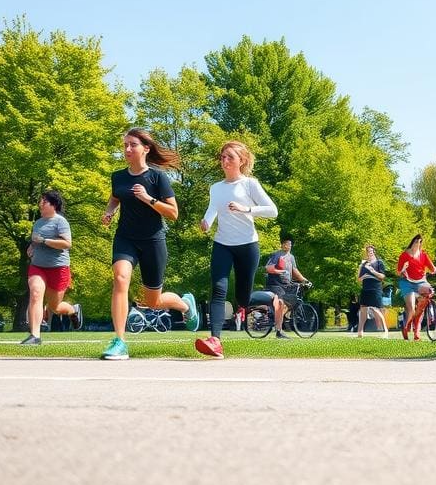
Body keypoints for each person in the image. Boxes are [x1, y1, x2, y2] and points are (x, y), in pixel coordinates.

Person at [100, 128, 199, 360]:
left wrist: (148, 199)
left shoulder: (157, 178)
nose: (126, 149)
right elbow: (115, 197)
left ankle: (184, 305)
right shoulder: (118, 177)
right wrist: (109, 212)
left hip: (153, 241)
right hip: (125, 238)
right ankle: (119, 341)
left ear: (145, 149)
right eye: (125, 145)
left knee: (153, 302)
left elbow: (173, 213)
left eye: (132, 145)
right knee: (120, 278)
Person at [194, 141, 278, 359]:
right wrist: (207, 222)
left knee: (243, 298)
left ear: (242, 160)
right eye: (222, 157)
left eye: (230, 157)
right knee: (219, 289)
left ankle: (272, 297)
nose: (225, 160)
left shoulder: (250, 184)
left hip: (248, 245)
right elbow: (213, 209)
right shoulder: (216, 187)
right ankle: (215, 341)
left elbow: (272, 211)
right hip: (222, 244)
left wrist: (246, 209)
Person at [20, 190, 83, 345]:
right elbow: (35, 242)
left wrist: (44, 240)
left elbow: (67, 243)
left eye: (44, 201)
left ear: (53, 205)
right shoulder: (38, 222)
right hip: (37, 266)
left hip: (58, 268)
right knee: (35, 293)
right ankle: (34, 336)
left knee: (55, 307)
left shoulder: (60, 222)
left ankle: (73, 310)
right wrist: (31, 248)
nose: (40, 204)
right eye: (40, 201)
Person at [261, 238, 310, 339]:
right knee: (280, 304)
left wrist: (305, 280)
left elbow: (294, 270)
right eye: (287, 244)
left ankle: (279, 317)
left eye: (290, 244)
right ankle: (279, 331)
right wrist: (279, 271)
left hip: (286, 285)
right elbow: (268, 268)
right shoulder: (276, 255)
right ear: (282, 245)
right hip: (275, 284)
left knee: (292, 301)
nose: (289, 246)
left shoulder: (291, 257)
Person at [396, 234, 436, 340]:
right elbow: (398, 272)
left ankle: (417, 332)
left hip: (420, 282)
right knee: (411, 309)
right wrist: (403, 269)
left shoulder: (423, 255)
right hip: (407, 282)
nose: (417, 244)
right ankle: (406, 327)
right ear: (412, 242)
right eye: (415, 242)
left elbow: (432, 267)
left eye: (419, 242)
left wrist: (434, 270)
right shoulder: (404, 255)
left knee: (429, 292)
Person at [356, 244, 388, 338]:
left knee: (376, 309)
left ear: (374, 252)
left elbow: (382, 276)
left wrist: (372, 271)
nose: (369, 253)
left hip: (375, 287)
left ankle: (385, 331)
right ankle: (360, 332)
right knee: (363, 310)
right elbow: (359, 279)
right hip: (366, 288)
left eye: (371, 251)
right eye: (367, 251)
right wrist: (361, 271)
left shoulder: (379, 263)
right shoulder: (364, 264)